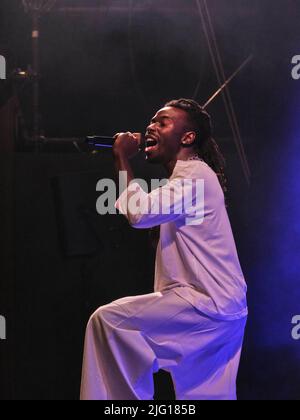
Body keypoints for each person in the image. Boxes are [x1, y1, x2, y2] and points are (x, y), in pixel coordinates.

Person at [80, 99, 248, 400]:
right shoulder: (192, 177)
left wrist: (121, 158)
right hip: (225, 312)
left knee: (109, 323)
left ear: (188, 137)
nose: (150, 127)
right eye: (151, 122)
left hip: (206, 304)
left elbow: (138, 213)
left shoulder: (194, 175)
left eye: (162, 122)